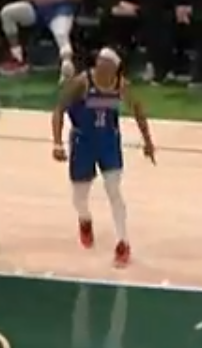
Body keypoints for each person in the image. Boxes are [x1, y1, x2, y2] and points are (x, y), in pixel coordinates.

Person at [51, 47, 155, 267]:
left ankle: (123, 242)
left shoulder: (121, 85)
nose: (102, 66)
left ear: (114, 68)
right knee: (79, 196)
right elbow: (59, 109)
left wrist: (148, 141)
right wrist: (57, 143)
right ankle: (85, 220)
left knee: (114, 191)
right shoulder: (83, 82)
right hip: (83, 143)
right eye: (100, 62)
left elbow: (138, 109)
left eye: (107, 64)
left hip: (109, 143)